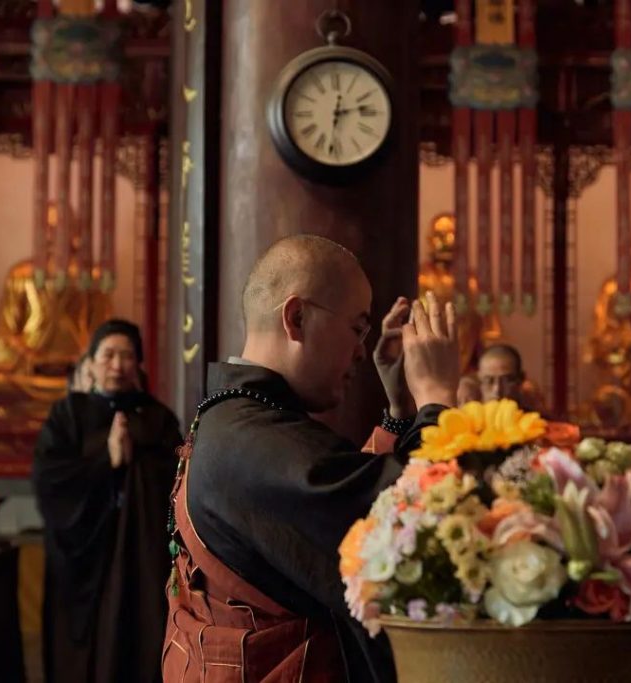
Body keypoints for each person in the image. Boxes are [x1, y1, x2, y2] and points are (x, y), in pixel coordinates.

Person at [164, 235, 458, 683]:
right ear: (297, 318)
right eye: (357, 328)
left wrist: (400, 413)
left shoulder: (239, 419)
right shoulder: (251, 439)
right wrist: (437, 398)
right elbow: (402, 530)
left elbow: (349, 493)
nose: (361, 351)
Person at [34, 319, 182, 683]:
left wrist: (137, 462)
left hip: (138, 555)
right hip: (84, 555)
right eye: (108, 355)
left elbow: (177, 481)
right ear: (90, 362)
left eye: (127, 356)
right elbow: (50, 481)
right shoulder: (68, 415)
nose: (117, 365)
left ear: (139, 364)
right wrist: (107, 459)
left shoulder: (158, 419)